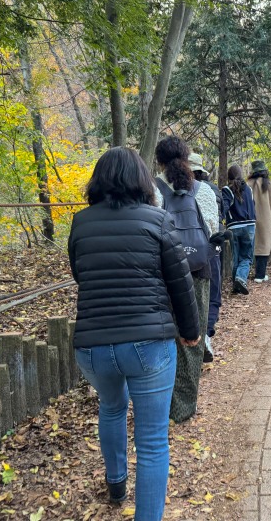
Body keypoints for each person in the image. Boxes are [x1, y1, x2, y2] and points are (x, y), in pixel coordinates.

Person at [68, 147, 200, 516]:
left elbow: (82, 276)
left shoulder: (81, 222)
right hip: (149, 344)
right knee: (153, 439)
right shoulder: (157, 220)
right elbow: (181, 282)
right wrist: (190, 332)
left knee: (111, 407)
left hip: (92, 345)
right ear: (142, 180)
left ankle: (115, 485)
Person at [154, 136, 219, 424]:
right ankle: (184, 407)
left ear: (159, 161)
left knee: (165, 336)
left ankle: (161, 402)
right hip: (197, 271)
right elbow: (213, 228)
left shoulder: (152, 190)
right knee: (192, 336)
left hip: (162, 274)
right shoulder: (203, 190)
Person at [189, 153, 223, 363]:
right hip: (209, 249)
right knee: (212, 294)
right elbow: (215, 222)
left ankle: (193, 340)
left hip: (177, 253)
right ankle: (207, 335)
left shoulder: (168, 190)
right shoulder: (211, 190)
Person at [222, 164, 256, 295]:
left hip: (234, 226)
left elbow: (224, 207)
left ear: (228, 176)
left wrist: (221, 219)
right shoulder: (248, 189)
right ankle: (240, 279)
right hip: (250, 226)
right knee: (246, 257)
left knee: (235, 257)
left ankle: (236, 284)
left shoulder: (227, 189)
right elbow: (253, 205)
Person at [247, 160, 271, 283]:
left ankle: (246, 273)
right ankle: (260, 275)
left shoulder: (247, 184)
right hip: (266, 219)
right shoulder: (270, 184)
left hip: (249, 218)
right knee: (264, 246)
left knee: (252, 245)